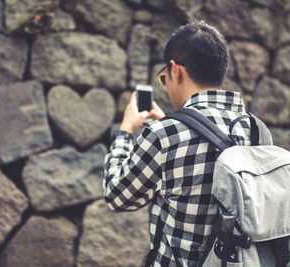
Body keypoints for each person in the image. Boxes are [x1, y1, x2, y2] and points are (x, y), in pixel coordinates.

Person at [103, 20, 252, 266]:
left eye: (165, 77)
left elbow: (118, 196)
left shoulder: (166, 134)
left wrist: (125, 130)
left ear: (176, 70)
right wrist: (183, 125)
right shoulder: (252, 128)